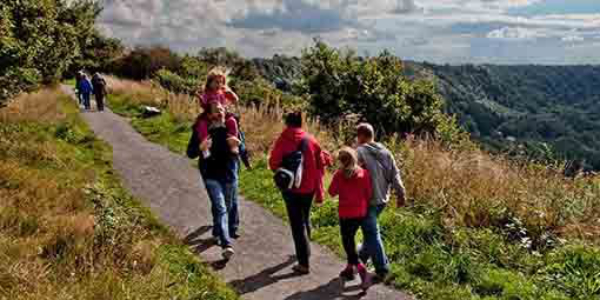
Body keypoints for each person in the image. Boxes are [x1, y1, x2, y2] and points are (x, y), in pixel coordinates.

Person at [268, 111, 330, 275]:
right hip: (309, 187)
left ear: (287, 123)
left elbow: (273, 163)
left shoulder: (283, 140)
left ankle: (303, 263)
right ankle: (306, 249)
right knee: (305, 217)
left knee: (297, 224)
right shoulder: (310, 139)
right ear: (301, 123)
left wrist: (282, 170)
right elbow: (322, 161)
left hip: (291, 188)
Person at [187, 102, 240, 260]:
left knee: (226, 208)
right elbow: (190, 153)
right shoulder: (202, 130)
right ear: (209, 115)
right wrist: (200, 147)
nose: (219, 113)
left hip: (230, 175)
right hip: (210, 175)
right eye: (216, 111)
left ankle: (217, 232)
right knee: (221, 207)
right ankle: (226, 244)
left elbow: (242, 150)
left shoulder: (231, 128)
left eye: (221, 110)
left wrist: (238, 145)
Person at [355, 123, 407, 281]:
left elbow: (352, 174)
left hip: (368, 199)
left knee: (372, 232)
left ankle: (382, 269)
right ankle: (362, 256)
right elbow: (395, 174)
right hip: (383, 199)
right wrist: (401, 193)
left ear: (362, 136)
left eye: (358, 137)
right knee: (370, 228)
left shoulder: (360, 152)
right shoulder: (385, 151)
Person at [328, 147, 373, 290]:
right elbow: (368, 194)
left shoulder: (339, 175)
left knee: (348, 244)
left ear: (341, 161)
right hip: (360, 213)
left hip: (346, 214)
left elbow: (332, 192)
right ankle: (349, 269)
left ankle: (363, 272)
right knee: (350, 241)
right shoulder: (363, 173)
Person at [195, 67, 240, 155]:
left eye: (221, 82)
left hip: (222, 114)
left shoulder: (223, 92)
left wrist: (231, 94)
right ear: (209, 82)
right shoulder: (207, 93)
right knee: (201, 125)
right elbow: (204, 105)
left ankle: (233, 143)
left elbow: (235, 100)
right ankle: (205, 145)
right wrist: (201, 99)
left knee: (232, 121)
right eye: (216, 82)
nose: (219, 84)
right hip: (210, 115)